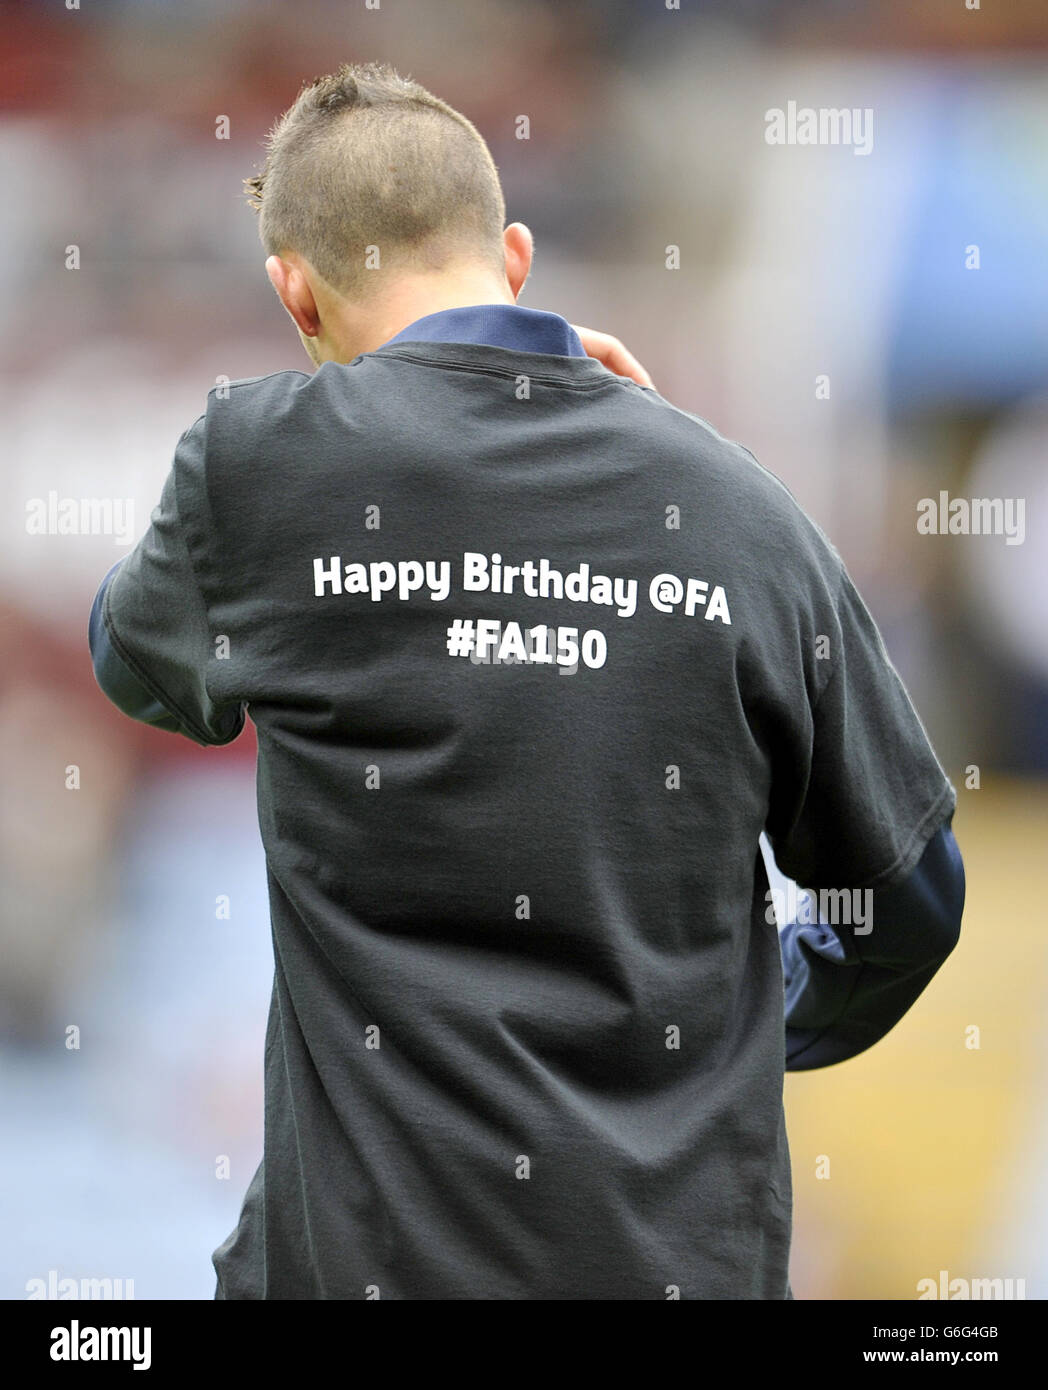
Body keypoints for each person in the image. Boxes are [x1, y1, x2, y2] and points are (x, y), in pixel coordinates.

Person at [88, 61, 964, 1300]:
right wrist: (745, 1022)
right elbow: (909, 901)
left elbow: (130, 660)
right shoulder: (736, 512)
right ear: (512, 254)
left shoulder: (256, 469)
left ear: (295, 292)